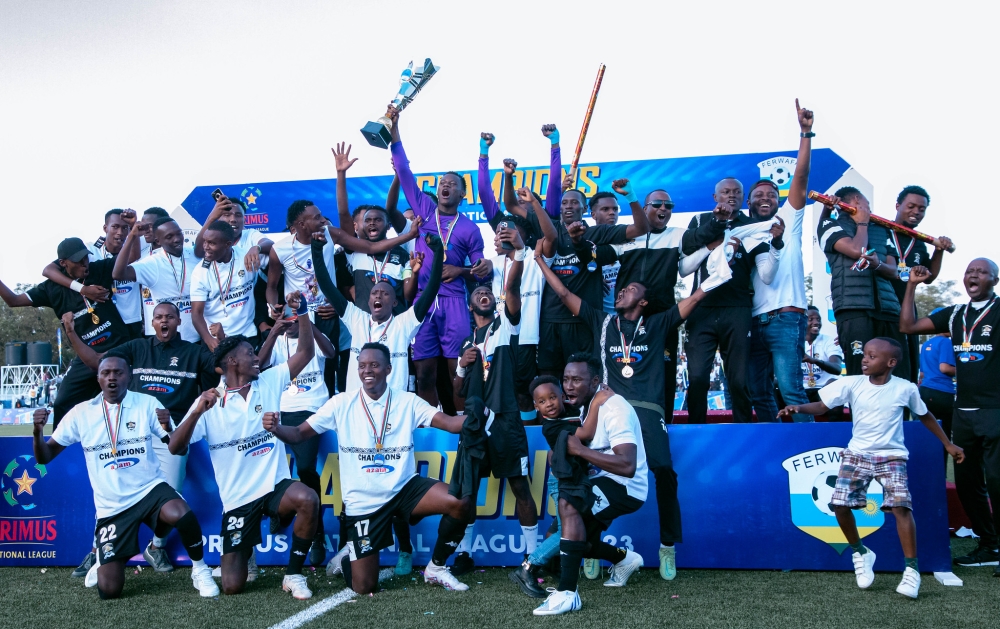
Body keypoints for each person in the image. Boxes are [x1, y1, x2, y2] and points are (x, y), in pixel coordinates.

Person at [535, 245, 723, 580]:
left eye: (631, 289)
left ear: (644, 302)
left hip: (647, 409)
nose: (623, 291)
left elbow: (692, 301)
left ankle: (667, 546)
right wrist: (538, 260)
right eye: (621, 288)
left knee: (663, 468)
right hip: (605, 409)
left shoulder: (658, 322)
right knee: (589, 477)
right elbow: (563, 292)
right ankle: (589, 543)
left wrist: (715, 279)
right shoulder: (603, 321)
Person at [264, 342, 475, 594]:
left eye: (374, 365)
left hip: (404, 488)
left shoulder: (407, 401)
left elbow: (450, 423)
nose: (367, 370)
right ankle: (346, 557)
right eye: (362, 365)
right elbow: (299, 433)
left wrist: (482, 415)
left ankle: (437, 568)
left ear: (388, 369)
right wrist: (276, 429)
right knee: (363, 586)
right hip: (363, 502)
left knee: (460, 501)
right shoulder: (340, 403)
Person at [778, 337, 965, 599]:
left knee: (900, 506)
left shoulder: (906, 388)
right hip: (857, 454)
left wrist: (948, 444)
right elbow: (822, 406)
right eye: (865, 354)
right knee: (839, 506)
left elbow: (925, 415)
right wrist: (798, 407)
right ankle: (861, 552)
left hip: (892, 456)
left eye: (872, 356)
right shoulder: (851, 383)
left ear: (890, 363)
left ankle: (911, 570)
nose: (865, 359)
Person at [167, 291, 320, 599]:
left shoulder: (269, 381)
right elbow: (174, 446)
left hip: (275, 485)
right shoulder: (209, 401)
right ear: (233, 360)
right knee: (233, 586)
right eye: (250, 353)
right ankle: (245, 550)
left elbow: (304, 353)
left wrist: (302, 312)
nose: (256, 357)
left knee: (307, 498)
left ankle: (293, 575)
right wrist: (197, 411)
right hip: (238, 500)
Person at [30, 356, 218, 599]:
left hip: (149, 490)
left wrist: (171, 429)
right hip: (112, 507)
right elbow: (44, 457)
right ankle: (104, 558)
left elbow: (176, 448)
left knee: (182, 513)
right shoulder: (81, 413)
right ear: (98, 378)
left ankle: (200, 570)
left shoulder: (148, 404)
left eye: (118, 373)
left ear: (129, 376)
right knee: (109, 591)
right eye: (106, 373)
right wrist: (37, 433)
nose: (112, 378)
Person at [59, 301, 219, 572]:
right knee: (112, 489)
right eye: (158, 317)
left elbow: (224, 367)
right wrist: (72, 334)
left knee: (172, 493)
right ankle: (98, 550)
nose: (164, 321)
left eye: (169, 317)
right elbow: (99, 363)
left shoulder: (194, 352)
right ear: (151, 322)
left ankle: (156, 547)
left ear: (179, 322)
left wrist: (219, 340)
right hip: (131, 431)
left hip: (171, 433)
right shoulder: (136, 347)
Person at [504, 134, 650, 378]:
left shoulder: (598, 232)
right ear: (560, 208)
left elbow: (641, 228)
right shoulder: (546, 227)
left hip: (584, 319)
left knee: (584, 380)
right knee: (550, 379)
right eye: (565, 203)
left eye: (575, 203)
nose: (569, 206)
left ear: (586, 210)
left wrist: (631, 197)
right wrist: (508, 177)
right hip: (550, 320)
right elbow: (510, 204)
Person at [899, 261, 1000, 572]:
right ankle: (989, 543)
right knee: (968, 484)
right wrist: (912, 286)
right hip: (964, 412)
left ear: (995, 279)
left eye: (981, 271)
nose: (973, 275)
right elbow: (908, 327)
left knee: (997, 481)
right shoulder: (955, 313)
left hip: (996, 410)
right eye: (970, 270)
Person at [387, 105, 490, 409]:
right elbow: (404, 170)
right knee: (425, 372)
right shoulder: (423, 209)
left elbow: (481, 270)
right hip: (423, 302)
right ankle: (430, 424)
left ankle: (461, 425)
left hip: (456, 302)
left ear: (462, 196)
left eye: (452, 185)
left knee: (457, 369)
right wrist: (394, 126)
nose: (446, 186)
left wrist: (465, 271)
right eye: (442, 183)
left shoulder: (470, 228)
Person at [450, 225, 536, 574]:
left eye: (488, 291)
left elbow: (511, 288)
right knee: (467, 493)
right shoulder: (467, 344)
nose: (483, 294)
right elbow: (457, 390)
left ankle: (532, 555)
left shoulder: (504, 328)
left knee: (520, 487)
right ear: (470, 303)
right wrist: (461, 364)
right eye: (478, 292)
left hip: (504, 420)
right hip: (473, 424)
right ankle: (466, 553)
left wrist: (514, 255)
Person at [533, 357, 649, 615]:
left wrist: (579, 451)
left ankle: (567, 594)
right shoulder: (589, 405)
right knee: (574, 540)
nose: (569, 386)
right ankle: (625, 559)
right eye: (566, 380)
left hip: (627, 485)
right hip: (604, 478)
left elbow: (627, 465)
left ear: (595, 381)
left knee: (569, 502)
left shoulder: (614, 407)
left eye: (577, 380)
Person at [681, 178, 784, 423]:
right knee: (697, 378)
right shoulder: (700, 220)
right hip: (701, 307)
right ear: (715, 197)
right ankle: (697, 429)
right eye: (725, 191)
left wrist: (776, 245)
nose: (731, 195)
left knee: (738, 380)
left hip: (737, 308)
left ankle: (743, 431)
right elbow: (684, 263)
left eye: (737, 192)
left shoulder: (752, 226)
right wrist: (715, 237)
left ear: (743, 199)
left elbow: (767, 276)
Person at [0, 238, 129, 430]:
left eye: (86, 258)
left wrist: (133, 234)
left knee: (126, 402)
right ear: (63, 263)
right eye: (78, 261)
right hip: (86, 357)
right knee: (63, 403)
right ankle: (60, 453)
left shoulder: (98, 269)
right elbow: (13, 300)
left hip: (119, 349)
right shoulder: (50, 288)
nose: (84, 263)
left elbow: (129, 259)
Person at [748, 100, 815, 423]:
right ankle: (774, 448)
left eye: (771, 195)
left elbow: (800, 177)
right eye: (758, 196)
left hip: (786, 319)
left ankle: (809, 447)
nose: (765, 199)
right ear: (748, 203)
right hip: (753, 322)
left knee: (791, 391)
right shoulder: (744, 231)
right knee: (757, 391)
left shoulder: (790, 217)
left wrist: (806, 134)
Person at [256, 307, 339, 568]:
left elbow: (331, 353)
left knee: (304, 468)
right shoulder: (277, 339)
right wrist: (273, 332)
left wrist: (307, 323)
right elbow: (258, 366)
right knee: (269, 468)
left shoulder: (312, 335)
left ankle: (316, 533)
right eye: (287, 317)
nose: (290, 322)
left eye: (295, 317)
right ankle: (278, 510)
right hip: (278, 411)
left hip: (312, 410)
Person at [313, 231, 443, 392]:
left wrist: (438, 252)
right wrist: (317, 250)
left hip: (393, 407)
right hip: (358, 404)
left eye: (385, 293)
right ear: (369, 301)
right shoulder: (356, 318)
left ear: (395, 302)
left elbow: (431, 290)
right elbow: (327, 286)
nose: (378, 295)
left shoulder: (403, 323)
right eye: (374, 293)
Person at [816, 187, 906, 377]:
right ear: (857, 200)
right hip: (854, 308)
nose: (870, 209)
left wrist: (878, 265)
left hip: (888, 310)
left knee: (896, 372)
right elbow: (858, 250)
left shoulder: (882, 230)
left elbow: (893, 271)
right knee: (860, 372)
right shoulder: (830, 225)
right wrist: (862, 223)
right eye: (867, 205)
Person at [486, 186, 557, 418]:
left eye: (508, 231)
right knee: (504, 393)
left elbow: (552, 237)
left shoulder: (534, 255)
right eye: (499, 232)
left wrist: (534, 203)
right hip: (498, 341)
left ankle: (530, 442)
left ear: (523, 234)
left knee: (527, 395)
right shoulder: (495, 262)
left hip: (527, 338)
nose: (502, 235)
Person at [332, 142, 417, 313]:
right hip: (363, 326)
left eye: (378, 220)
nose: (372, 222)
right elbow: (343, 213)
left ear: (388, 226)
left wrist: (413, 273)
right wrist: (341, 173)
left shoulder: (402, 255)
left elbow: (408, 296)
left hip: (394, 326)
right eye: (368, 220)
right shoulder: (355, 251)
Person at [41, 209, 144, 340]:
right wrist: (82, 289)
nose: (120, 232)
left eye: (125, 228)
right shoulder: (89, 250)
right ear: (105, 228)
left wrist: (134, 227)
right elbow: (48, 271)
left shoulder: (135, 246)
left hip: (131, 320)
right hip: (104, 323)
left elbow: (134, 256)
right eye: (115, 227)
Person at [888, 186, 953, 382]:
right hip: (883, 307)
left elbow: (930, 277)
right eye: (911, 206)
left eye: (922, 209)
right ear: (898, 205)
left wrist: (939, 250)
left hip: (906, 309)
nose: (916, 212)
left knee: (907, 366)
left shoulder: (918, 242)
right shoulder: (880, 230)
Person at [115, 216, 201, 343]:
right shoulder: (152, 263)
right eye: (169, 236)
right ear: (158, 240)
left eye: (179, 234)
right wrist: (132, 237)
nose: (177, 239)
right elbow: (118, 274)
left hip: (198, 338)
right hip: (167, 340)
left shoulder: (195, 255)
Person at [191, 220, 262, 351]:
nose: (205, 247)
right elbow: (196, 313)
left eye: (211, 243)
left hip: (248, 335)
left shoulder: (246, 256)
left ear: (228, 244)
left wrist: (257, 247)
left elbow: (273, 249)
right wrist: (209, 340)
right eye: (205, 241)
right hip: (216, 339)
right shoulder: (200, 272)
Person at [917, 311, 956, 461]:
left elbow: (922, 375)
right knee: (944, 438)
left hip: (925, 391)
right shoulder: (946, 342)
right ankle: (941, 477)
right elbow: (945, 368)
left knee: (927, 437)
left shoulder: (927, 343)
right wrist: (967, 370)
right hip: (942, 393)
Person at [801, 306, 843, 418]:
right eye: (810, 319)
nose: (816, 323)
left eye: (818, 319)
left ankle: (836, 433)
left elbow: (837, 369)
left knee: (834, 386)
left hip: (823, 388)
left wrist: (814, 361)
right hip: (800, 390)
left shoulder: (829, 341)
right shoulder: (794, 341)